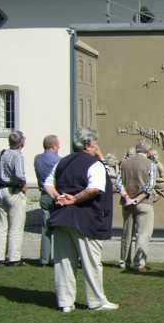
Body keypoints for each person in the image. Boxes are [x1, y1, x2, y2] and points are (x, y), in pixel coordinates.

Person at [44, 128, 118, 312]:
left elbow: (47, 183)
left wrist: (58, 197)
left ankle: (65, 302)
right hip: (85, 219)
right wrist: (74, 199)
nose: (97, 146)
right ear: (88, 144)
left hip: (61, 217)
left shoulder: (63, 161)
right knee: (91, 262)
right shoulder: (95, 164)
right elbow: (94, 189)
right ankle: (96, 301)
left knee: (64, 262)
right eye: (95, 143)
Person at [0, 130, 28, 266]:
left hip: (1, 191)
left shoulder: (2, 154)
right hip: (13, 191)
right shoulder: (18, 156)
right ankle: (14, 258)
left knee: (2, 226)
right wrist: (23, 185)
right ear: (20, 142)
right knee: (16, 226)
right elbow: (19, 175)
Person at [116, 141, 156, 272]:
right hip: (144, 203)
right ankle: (139, 264)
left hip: (127, 203)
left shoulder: (125, 163)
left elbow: (118, 183)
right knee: (143, 234)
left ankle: (123, 262)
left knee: (126, 233)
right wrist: (137, 200)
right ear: (148, 152)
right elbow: (150, 186)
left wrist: (127, 198)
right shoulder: (151, 164)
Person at [34, 134, 61, 266]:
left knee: (46, 229)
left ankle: (44, 259)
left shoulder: (37, 159)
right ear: (54, 146)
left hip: (44, 194)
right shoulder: (59, 160)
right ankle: (59, 258)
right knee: (60, 228)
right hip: (56, 194)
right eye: (58, 145)